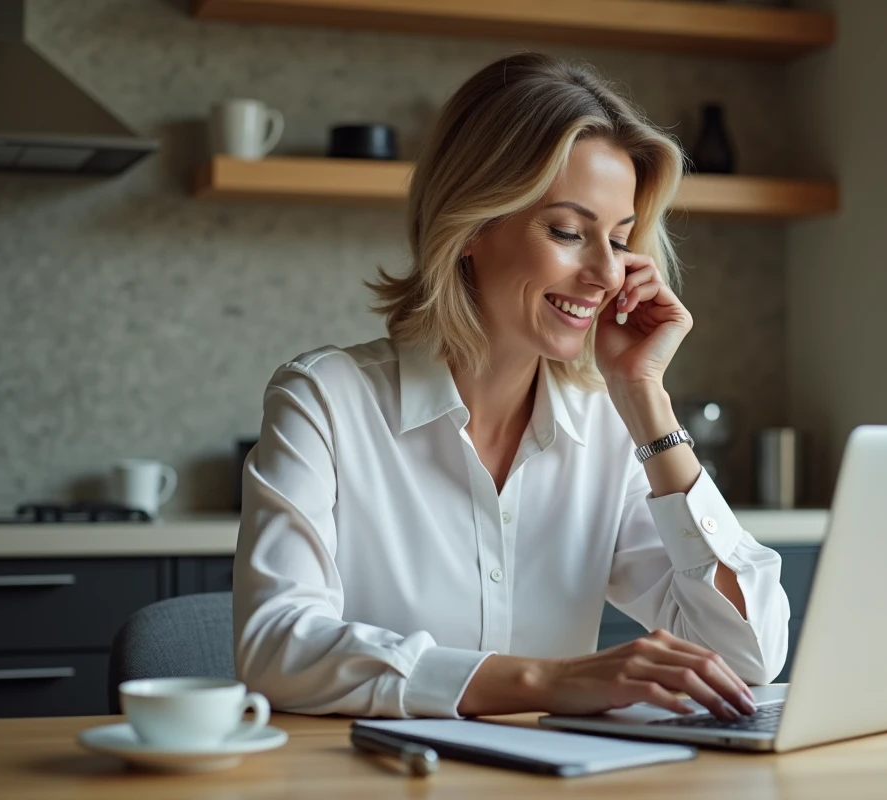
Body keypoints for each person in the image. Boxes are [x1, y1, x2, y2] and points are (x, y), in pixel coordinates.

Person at [233, 52, 790, 721]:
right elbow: (275, 648)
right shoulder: (323, 400)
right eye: (567, 232)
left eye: (619, 240)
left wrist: (645, 398)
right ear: (471, 225)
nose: (606, 275)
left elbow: (750, 653)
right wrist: (545, 683)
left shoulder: (609, 428)